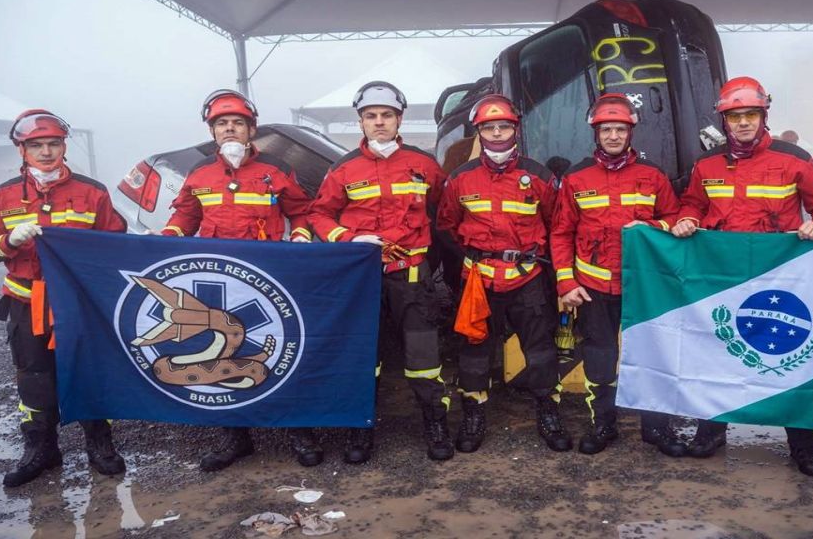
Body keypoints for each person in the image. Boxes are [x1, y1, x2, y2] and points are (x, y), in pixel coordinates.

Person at [671, 77, 813, 477]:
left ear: (764, 115)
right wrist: (687, 218)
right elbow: (691, 203)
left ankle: (802, 444)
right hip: (722, 277)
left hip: (779, 276)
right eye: (735, 116)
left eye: (750, 114)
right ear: (724, 120)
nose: (743, 122)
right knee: (718, 353)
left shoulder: (793, 158)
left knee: (786, 354)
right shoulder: (706, 164)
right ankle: (711, 432)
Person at [0, 109, 128, 487]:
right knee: (34, 379)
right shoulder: (0, 197)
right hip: (26, 305)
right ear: (22, 150)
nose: (46, 152)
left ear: (64, 146)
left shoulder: (92, 192)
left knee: (88, 371)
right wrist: (8, 241)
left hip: (78, 305)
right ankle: (41, 448)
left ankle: (99, 443)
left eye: (53, 143)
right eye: (36, 145)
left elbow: (115, 240)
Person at [161, 89, 316, 471]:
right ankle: (234, 436)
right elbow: (185, 217)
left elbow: (302, 211)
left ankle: (297, 429)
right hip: (218, 284)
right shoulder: (199, 175)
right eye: (222, 124)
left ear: (252, 129)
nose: (230, 129)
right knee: (221, 353)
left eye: (238, 123)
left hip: (267, 280)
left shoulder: (276, 169)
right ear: (212, 132)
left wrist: (299, 236)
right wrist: (166, 239)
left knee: (280, 350)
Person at [308, 81, 453, 463]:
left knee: (424, 357)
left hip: (411, 276)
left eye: (386, 115)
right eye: (371, 116)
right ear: (361, 122)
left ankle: (435, 423)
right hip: (363, 277)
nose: (379, 122)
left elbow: (443, 210)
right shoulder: (343, 169)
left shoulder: (423, 165)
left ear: (399, 119)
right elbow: (319, 214)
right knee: (362, 355)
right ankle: (360, 429)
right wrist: (347, 238)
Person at [550, 93, 690, 457]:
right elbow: (561, 232)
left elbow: (674, 219)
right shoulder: (577, 179)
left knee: (650, 356)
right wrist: (567, 282)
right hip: (594, 288)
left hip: (642, 286)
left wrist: (650, 224)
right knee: (599, 358)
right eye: (606, 129)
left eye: (620, 129)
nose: (613, 136)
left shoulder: (652, 175)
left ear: (631, 132)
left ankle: (656, 428)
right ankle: (604, 424)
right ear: (595, 133)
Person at [436, 94, 570, 454]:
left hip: (527, 278)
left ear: (515, 129)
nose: (497, 133)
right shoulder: (460, 178)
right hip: (479, 280)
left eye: (503, 126)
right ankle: (473, 415)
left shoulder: (539, 175)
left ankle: (548, 412)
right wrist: (467, 264)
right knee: (474, 349)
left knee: (540, 350)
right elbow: (446, 226)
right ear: (479, 132)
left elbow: (556, 223)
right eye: (489, 127)